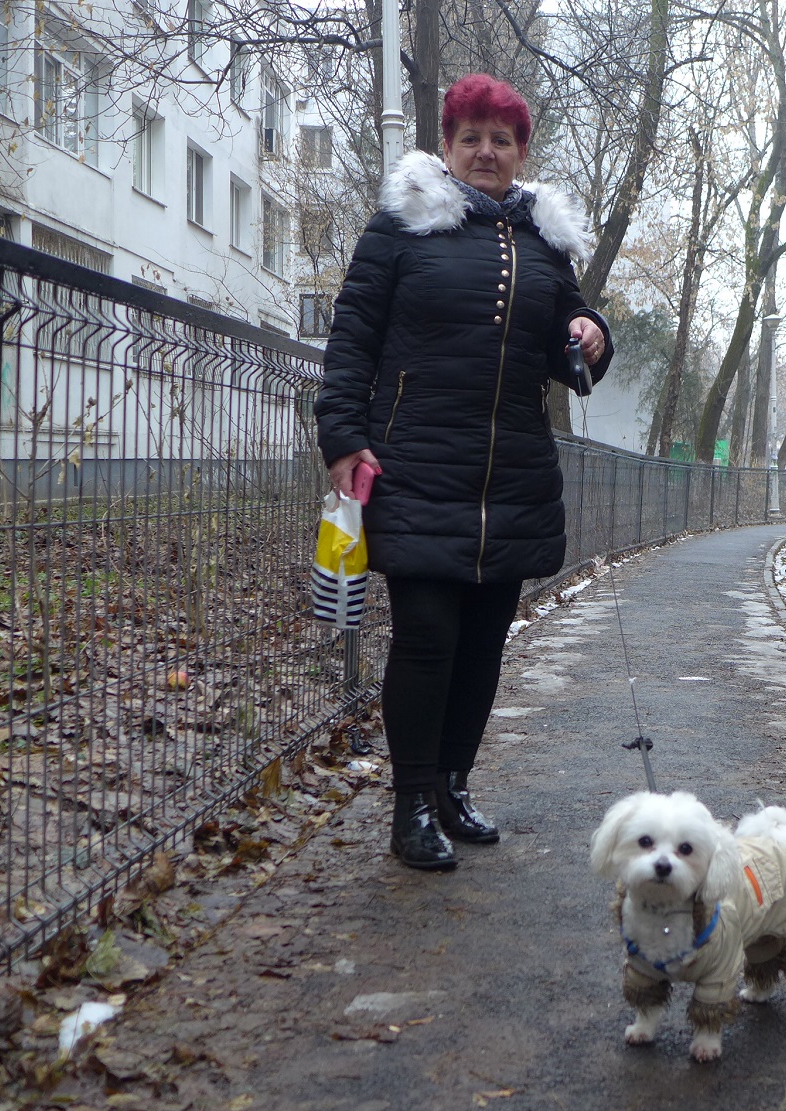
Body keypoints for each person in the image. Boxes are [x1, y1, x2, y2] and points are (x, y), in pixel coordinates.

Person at [314, 73, 613, 871]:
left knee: (484, 643)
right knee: (425, 636)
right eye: (471, 137)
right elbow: (352, 336)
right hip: (413, 464)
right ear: (446, 146)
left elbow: (571, 332)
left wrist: (590, 332)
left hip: (511, 472)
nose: (486, 151)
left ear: (521, 153)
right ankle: (410, 801)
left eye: (502, 139)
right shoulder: (401, 227)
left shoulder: (544, 239)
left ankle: (451, 784)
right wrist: (343, 436)